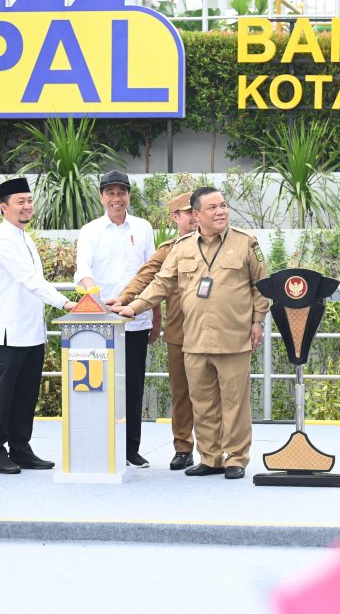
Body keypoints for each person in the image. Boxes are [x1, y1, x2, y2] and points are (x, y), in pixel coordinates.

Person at [115, 187, 269, 480]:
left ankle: (235, 457)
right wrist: (133, 307)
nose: (221, 211)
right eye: (212, 208)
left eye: (223, 205)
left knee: (235, 402)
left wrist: (257, 321)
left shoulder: (246, 243)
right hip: (194, 339)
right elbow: (160, 283)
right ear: (196, 215)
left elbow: (261, 285)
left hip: (233, 337)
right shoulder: (182, 247)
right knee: (202, 402)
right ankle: (211, 457)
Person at [0, 177, 75, 475]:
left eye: (29, 200)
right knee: (3, 395)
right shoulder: (2, 239)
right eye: (20, 202)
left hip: (31, 330)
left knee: (25, 395)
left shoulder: (25, 236)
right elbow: (30, 280)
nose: (26, 206)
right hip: (9, 332)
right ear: (3, 207)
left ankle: (20, 448)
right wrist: (65, 303)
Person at [75, 170, 155, 468]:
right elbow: (82, 269)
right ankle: (101, 445)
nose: (116, 199)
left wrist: (155, 316)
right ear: (101, 197)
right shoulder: (90, 230)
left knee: (133, 387)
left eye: (121, 193)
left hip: (135, 319)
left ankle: (130, 449)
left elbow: (152, 272)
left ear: (128, 196)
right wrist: (91, 291)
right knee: (100, 387)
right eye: (110, 193)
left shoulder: (143, 227)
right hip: (100, 324)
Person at [115, 192, 199, 470]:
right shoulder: (168, 250)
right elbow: (145, 275)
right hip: (180, 333)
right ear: (175, 217)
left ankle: (219, 451)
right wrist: (124, 299)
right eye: (188, 212)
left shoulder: (219, 245)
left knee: (217, 394)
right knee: (181, 394)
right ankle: (184, 447)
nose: (194, 216)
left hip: (215, 333)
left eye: (197, 210)